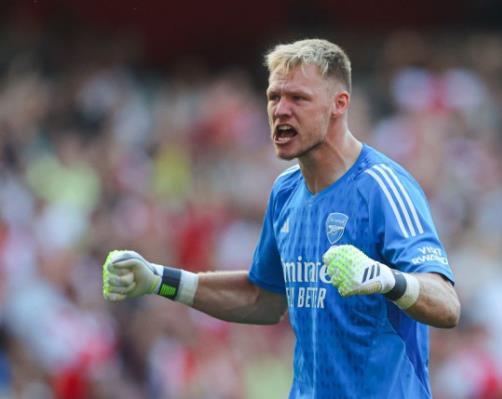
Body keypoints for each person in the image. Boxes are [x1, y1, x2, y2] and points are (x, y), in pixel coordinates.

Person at [102, 38, 460, 398]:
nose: (281, 110)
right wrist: (158, 280)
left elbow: (446, 304)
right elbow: (263, 297)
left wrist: (388, 279)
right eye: (275, 97)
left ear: (339, 105)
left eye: (298, 99)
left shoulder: (382, 186)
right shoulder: (286, 192)